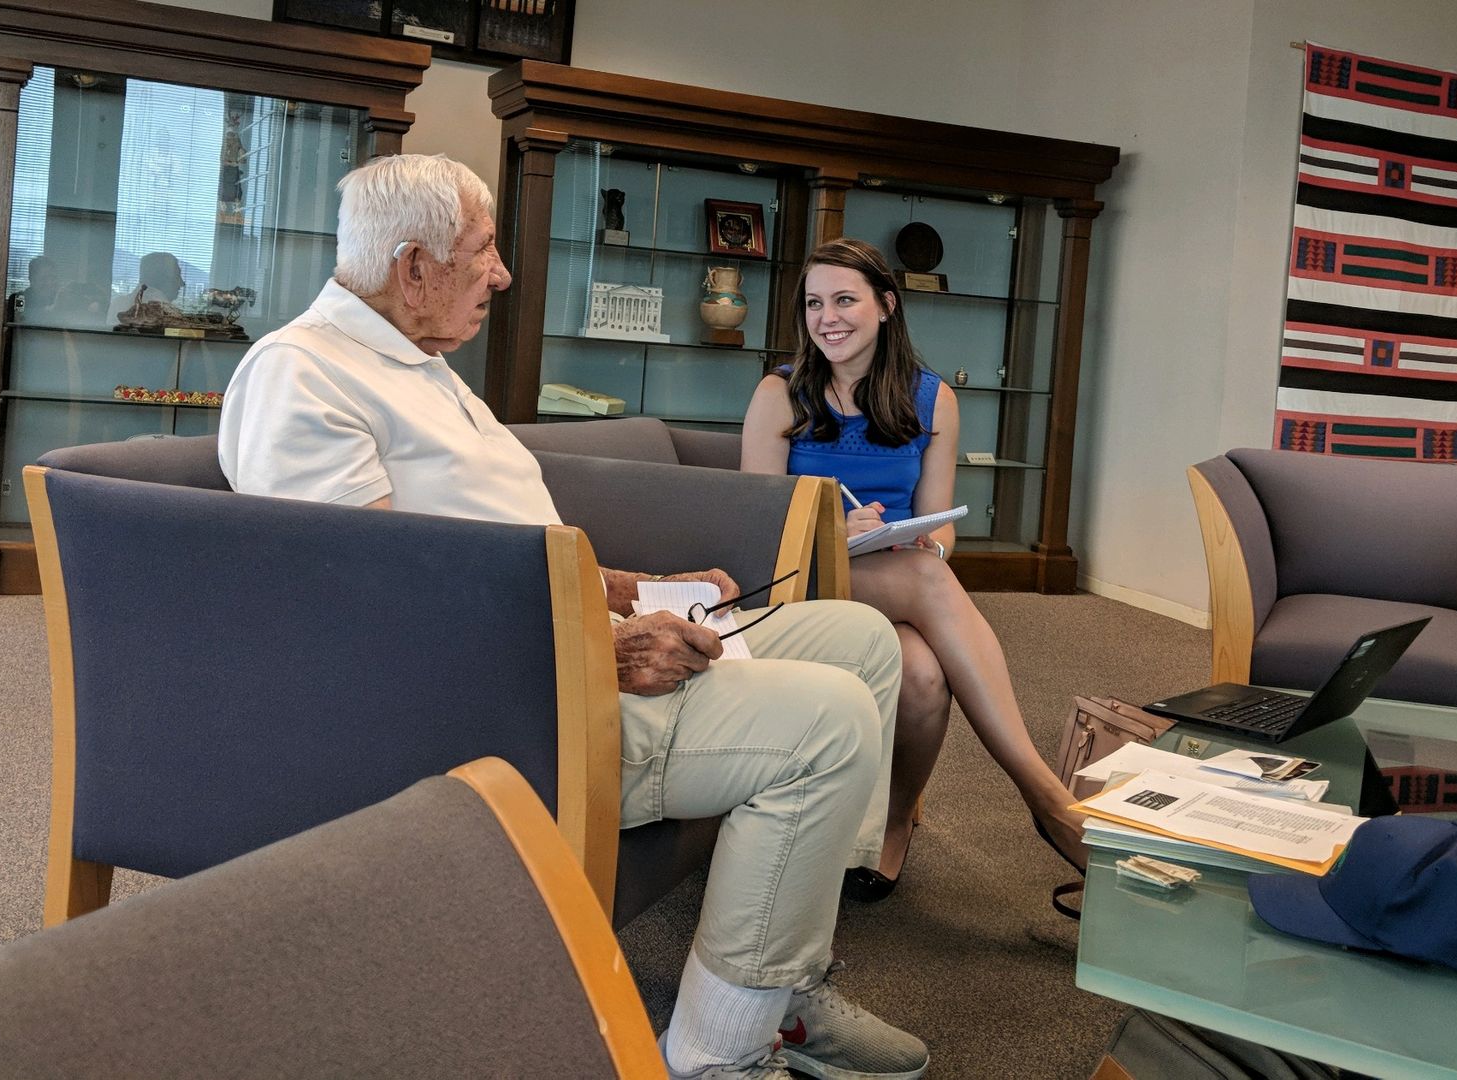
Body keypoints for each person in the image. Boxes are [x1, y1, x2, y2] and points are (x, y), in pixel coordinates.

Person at [217, 155, 928, 1080]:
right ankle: (720, 1055)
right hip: (499, 716)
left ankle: (779, 975)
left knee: (861, 640)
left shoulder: (417, 360)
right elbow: (368, 613)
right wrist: (599, 644)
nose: (503, 274)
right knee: (827, 725)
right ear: (413, 266)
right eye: (483, 251)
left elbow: (502, 548)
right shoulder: (302, 376)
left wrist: (631, 587)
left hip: (555, 649)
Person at [741, 237, 1086, 901]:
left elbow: (939, 517)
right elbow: (755, 528)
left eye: (845, 299)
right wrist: (835, 534)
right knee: (927, 584)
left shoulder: (933, 401)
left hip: (899, 576)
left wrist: (935, 545)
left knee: (925, 676)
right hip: (805, 578)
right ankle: (1046, 798)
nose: (827, 317)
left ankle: (894, 823)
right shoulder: (778, 393)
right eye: (814, 303)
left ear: (886, 307)